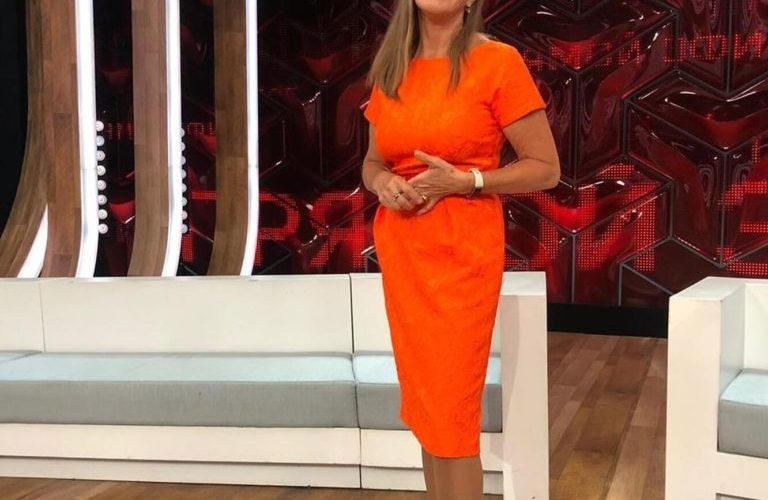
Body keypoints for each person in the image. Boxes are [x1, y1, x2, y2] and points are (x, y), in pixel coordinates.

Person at [361, 0, 560, 498]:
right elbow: (372, 162)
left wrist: (468, 181)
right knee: (428, 405)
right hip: (404, 251)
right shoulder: (392, 69)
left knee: (451, 407)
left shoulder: (497, 62)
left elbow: (545, 168)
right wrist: (383, 182)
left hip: (461, 254)